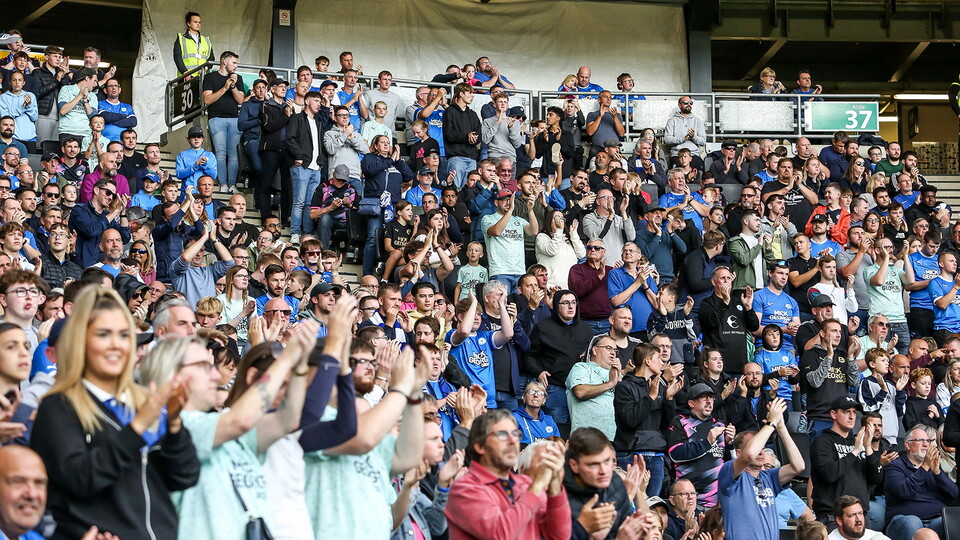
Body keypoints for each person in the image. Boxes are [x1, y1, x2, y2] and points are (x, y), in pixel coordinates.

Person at [30, 287, 201, 539]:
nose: (116, 345)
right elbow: (79, 479)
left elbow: (184, 476)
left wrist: (174, 426)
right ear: (81, 342)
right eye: (103, 334)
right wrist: (137, 429)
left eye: (123, 335)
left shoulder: (141, 400)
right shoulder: (58, 406)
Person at [444, 410, 571, 539]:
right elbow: (500, 535)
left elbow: (559, 536)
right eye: (502, 435)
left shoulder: (525, 484)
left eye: (516, 434)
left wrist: (555, 488)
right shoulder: (464, 489)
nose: (512, 441)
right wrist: (537, 486)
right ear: (480, 446)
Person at [717, 397, 805, 540]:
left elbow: (798, 466)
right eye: (757, 445)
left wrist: (781, 428)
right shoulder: (729, 471)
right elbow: (750, 453)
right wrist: (770, 423)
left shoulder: (768, 477)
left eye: (763, 447)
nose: (761, 451)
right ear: (739, 453)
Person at [613, 343, 683, 496]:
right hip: (632, 453)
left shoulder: (658, 386)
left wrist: (669, 399)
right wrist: (650, 397)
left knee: (652, 506)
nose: (662, 363)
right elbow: (630, 420)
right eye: (658, 358)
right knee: (631, 501)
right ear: (647, 361)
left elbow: (668, 424)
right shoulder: (624, 387)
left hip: (657, 453)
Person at [810, 396, 883, 525]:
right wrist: (854, 452)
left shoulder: (859, 442)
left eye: (854, 412)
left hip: (861, 516)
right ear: (833, 414)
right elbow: (829, 474)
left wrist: (867, 448)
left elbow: (876, 478)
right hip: (833, 516)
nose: (852, 417)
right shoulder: (822, 442)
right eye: (846, 412)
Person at [883, 426, 957, 540]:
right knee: (913, 521)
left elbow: (954, 493)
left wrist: (937, 473)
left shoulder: (934, 466)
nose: (926, 444)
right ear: (908, 445)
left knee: (953, 520)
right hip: (905, 521)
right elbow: (904, 491)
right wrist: (925, 466)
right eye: (920, 441)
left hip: (935, 520)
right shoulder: (896, 466)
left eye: (927, 441)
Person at [665, 382, 728, 508]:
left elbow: (726, 460)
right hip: (690, 501)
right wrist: (707, 442)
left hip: (718, 503)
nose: (709, 401)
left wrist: (730, 443)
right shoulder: (680, 421)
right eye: (704, 398)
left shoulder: (720, 425)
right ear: (691, 403)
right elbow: (675, 454)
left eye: (711, 398)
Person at [563, 427, 632, 539]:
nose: (603, 471)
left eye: (607, 461)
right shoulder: (556, 493)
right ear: (574, 465)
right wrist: (583, 528)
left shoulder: (615, 481)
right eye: (593, 464)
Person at [201, 51, 245, 193]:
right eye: (234, 62)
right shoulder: (210, 78)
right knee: (220, 153)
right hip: (216, 118)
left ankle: (232, 185)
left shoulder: (238, 79)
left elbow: (241, 100)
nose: (236, 66)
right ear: (224, 62)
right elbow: (207, 100)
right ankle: (223, 184)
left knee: (233, 154)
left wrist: (232, 86)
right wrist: (224, 87)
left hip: (234, 119)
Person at [566, 335, 621, 440]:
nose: (613, 352)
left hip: (612, 438)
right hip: (585, 437)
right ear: (595, 350)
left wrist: (621, 375)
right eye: (608, 348)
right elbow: (580, 392)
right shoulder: (582, 368)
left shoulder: (617, 374)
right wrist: (610, 383)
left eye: (615, 350)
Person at [663, 96, 705, 164]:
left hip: (693, 154)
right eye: (686, 103)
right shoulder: (672, 121)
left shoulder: (698, 121)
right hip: (677, 154)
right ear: (679, 105)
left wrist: (694, 137)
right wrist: (683, 138)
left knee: (698, 172)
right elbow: (667, 139)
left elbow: (703, 141)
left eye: (691, 103)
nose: (689, 105)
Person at [174, 11, 213, 77]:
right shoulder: (181, 39)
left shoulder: (206, 40)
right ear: (188, 23)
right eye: (195, 22)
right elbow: (177, 57)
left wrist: (205, 68)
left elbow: (211, 58)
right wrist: (185, 72)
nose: (198, 24)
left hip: (202, 77)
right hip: (186, 77)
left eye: (199, 22)